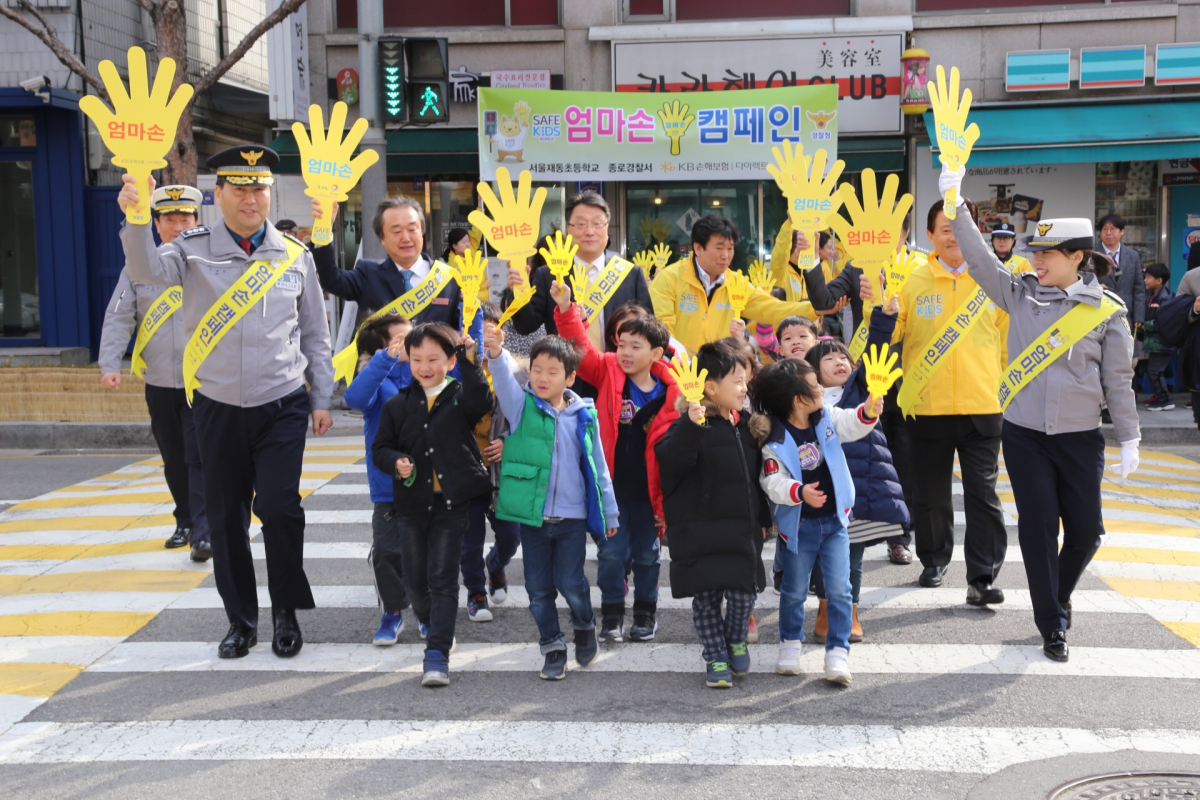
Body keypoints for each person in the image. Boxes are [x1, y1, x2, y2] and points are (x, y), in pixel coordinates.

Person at [119, 147, 334, 661]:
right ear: (218, 196)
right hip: (214, 405)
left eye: (258, 188)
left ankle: (285, 612)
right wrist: (135, 218)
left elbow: (315, 335)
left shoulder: (294, 254)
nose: (250, 198)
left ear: (269, 194)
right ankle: (241, 620)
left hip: (281, 402)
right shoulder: (190, 248)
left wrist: (322, 396)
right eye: (238, 188)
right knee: (225, 516)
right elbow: (146, 270)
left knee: (281, 508)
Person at [941, 165, 1140, 662]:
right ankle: (1051, 624)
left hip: (1079, 438)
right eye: (1034, 251)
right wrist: (957, 203)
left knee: (1088, 530)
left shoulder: (1108, 312)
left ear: (1078, 257)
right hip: (1025, 435)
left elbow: (1117, 381)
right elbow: (983, 263)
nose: (1036, 259)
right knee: (1036, 528)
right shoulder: (1021, 292)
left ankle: (1058, 596)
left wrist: (1130, 437)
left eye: (1047, 253)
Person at [892, 200, 1009, 606]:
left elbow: (1010, 344)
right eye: (945, 229)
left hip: (983, 404)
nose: (953, 236)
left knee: (983, 495)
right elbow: (893, 335)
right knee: (931, 494)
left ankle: (982, 577)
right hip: (928, 406)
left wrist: (1008, 392)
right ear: (930, 236)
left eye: (961, 228)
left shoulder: (994, 279)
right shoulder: (911, 280)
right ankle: (934, 559)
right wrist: (883, 312)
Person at [550, 281, 681, 643]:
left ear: (656, 353)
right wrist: (565, 309)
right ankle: (610, 614)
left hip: (650, 493)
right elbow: (581, 348)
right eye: (621, 344)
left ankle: (645, 615)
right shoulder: (607, 369)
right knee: (610, 554)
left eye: (635, 347)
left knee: (648, 557)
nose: (624, 352)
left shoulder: (676, 391)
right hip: (612, 489)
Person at [485, 332, 619, 681]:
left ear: (570, 378)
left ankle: (584, 624)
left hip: (572, 519)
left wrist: (610, 512)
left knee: (571, 582)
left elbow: (598, 467)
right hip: (532, 518)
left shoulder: (584, 415)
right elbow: (503, 381)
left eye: (552, 371)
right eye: (536, 370)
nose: (542, 378)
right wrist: (497, 352)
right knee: (538, 589)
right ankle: (552, 646)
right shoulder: (520, 406)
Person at [371, 322, 494, 686]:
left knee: (442, 579)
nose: (425, 366)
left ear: (450, 360)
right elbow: (380, 448)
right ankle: (433, 623)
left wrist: (472, 362)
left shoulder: (460, 396)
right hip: (411, 503)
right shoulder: (397, 405)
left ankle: (436, 654)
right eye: (417, 359)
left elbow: (482, 399)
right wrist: (395, 461)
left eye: (434, 359)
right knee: (412, 578)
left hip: (452, 504)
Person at [750, 357, 882, 684]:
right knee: (794, 592)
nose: (821, 388)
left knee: (839, 590)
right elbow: (771, 482)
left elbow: (853, 423)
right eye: (813, 385)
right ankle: (789, 645)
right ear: (797, 399)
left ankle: (837, 654)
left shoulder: (825, 416)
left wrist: (870, 409)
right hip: (798, 528)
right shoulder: (775, 437)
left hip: (835, 523)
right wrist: (799, 491)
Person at [99, 185, 210, 562]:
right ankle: (185, 519)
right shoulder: (138, 269)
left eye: (185, 218)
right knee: (174, 456)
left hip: (204, 381)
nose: (178, 226)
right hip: (161, 381)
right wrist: (109, 364)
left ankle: (203, 527)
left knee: (200, 455)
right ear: (157, 224)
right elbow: (118, 316)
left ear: (197, 222)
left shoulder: (209, 263)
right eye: (169, 219)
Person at [655, 339, 767, 689]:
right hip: (699, 532)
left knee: (742, 595)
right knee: (705, 600)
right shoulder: (686, 424)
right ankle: (715, 655)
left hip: (740, 533)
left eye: (745, 380)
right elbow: (673, 460)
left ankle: (734, 638)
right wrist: (691, 423)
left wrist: (765, 520)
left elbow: (758, 479)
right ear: (710, 387)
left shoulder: (748, 426)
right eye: (736, 380)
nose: (744, 387)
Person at [805, 296, 909, 646]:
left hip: (860, 486)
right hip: (821, 489)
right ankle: (824, 608)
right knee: (823, 550)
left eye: (843, 357)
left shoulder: (861, 388)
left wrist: (884, 317)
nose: (838, 362)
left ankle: (849, 610)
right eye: (828, 358)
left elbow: (877, 347)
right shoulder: (807, 399)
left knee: (854, 551)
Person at [506, 193, 652, 358]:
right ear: (569, 229)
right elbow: (526, 326)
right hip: (568, 376)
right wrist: (518, 290)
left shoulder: (629, 273)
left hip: (617, 373)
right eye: (581, 224)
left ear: (607, 227)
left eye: (597, 224)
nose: (589, 232)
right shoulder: (548, 274)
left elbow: (648, 329)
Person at [343, 314, 414, 645]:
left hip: (429, 484)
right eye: (403, 339)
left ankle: (427, 613)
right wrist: (382, 361)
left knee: (427, 552)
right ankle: (393, 612)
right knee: (387, 551)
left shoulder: (425, 371)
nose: (414, 342)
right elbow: (354, 399)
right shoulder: (376, 381)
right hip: (387, 488)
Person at [651, 214, 818, 356]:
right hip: (679, 374)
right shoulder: (669, 278)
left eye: (730, 248)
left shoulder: (737, 283)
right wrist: (682, 363)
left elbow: (772, 308)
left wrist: (816, 309)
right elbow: (662, 329)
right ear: (698, 248)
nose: (725, 255)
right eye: (719, 248)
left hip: (721, 374)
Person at [461, 303, 523, 621]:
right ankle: (475, 593)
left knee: (511, 536)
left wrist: (508, 443)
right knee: (468, 542)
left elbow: (529, 422)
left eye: (491, 330)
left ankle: (496, 566)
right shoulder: (455, 372)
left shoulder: (515, 373)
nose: (485, 338)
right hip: (468, 475)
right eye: (479, 331)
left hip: (505, 475)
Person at [313, 196, 463, 327]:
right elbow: (330, 279)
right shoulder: (368, 273)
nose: (406, 238)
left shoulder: (448, 277)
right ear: (382, 238)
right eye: (396, 232)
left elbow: (462, 329)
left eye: (412, 229)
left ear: (422, 232)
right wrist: (323, 229)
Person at [1096, 214, 1146, 330]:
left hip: (1126, 315)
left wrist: (1139, 317)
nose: (1108, 233)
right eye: (1104, 229)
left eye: (1113, 229)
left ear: (1122, 231)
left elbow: (1138, 289)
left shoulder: (1132, 256)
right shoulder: (1091, 255)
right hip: (1099, 315)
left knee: (1128, 348)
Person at [1140, 262, 1176, 411]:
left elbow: (1164, 322)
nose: (1145, 280)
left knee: (1155, 371)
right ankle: (1160, 397)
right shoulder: (1151, 296)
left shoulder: (1166, 297)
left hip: (1163, 342)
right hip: (1154, 342)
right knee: (1152, 370)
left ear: (1159, 280)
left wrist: (1144, 325)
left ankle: (1165, 400)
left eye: (1148, 277)